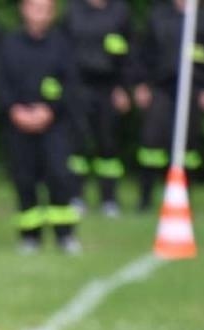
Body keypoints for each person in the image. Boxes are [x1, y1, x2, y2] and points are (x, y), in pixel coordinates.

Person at [0, 0, 83, 253]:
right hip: (18, 124)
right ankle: (29, 236)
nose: (40, 14)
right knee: (24, 178)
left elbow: (70, 84)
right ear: (23, 9)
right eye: (35, 7)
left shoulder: (62, 45)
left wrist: (49, 110)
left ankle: (65, 235)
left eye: (45, 9)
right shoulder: (9, 45)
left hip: (54, 124)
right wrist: (15, 110)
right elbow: (1, 81)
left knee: (59, 176)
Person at [131, 0, 204, 210]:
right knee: (152, 141)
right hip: (160, 87)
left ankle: (183, 197)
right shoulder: (157, 15)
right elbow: (143, 51)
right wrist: (140, 83)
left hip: (193, 89)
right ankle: (145, 198)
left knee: (189, 147)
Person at [63, 0, 134, 215]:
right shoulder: (73, 10)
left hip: (108, 87)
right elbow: (63, 48)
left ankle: (109, 199)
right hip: (79, 86)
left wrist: (123, 86)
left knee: (108, 143)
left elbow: (128, 52)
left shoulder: (120, 11)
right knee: (78, 142)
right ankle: (75, 196)